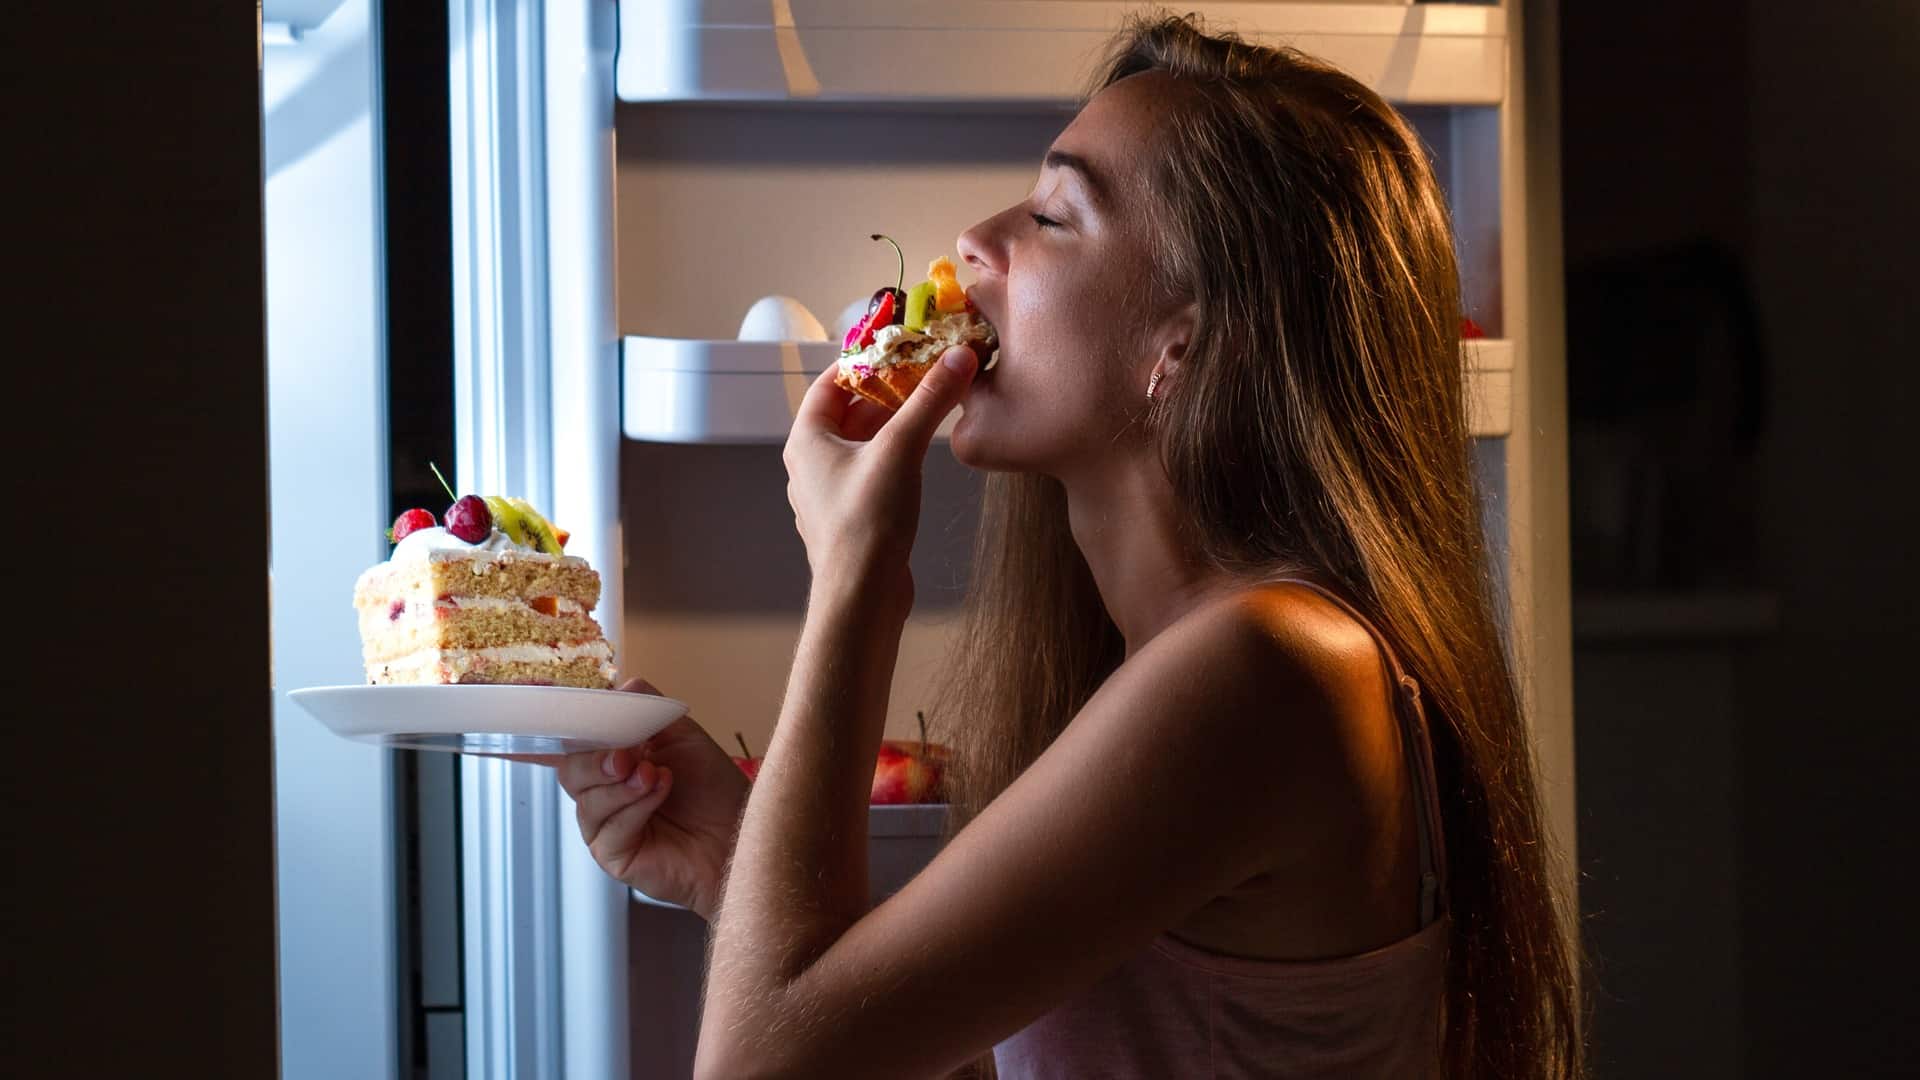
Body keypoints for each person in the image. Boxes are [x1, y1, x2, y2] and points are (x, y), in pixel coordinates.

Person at [538, 14, 1582, 1079]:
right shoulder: (1206, 665)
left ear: (1184, 346)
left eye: (1052, 214)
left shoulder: (1267, 669)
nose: (973, 247)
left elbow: (760, 1069)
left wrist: (856, 575)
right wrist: (734, 868)